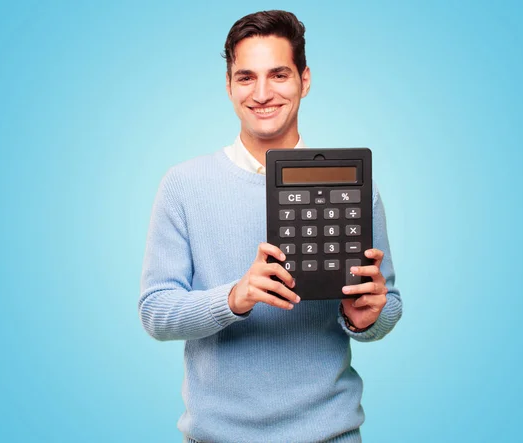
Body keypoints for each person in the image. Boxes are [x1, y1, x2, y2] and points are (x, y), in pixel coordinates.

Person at [139, 10, 402, 443]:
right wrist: (234, 297)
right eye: (246, 78)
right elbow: (155, 311)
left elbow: (387, 301)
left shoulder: (354, 185)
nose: (262, 93)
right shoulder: (183, 185)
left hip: (330, 434)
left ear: (305, 79)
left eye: (278, 74)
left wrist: (364, 319)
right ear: (228, 86)